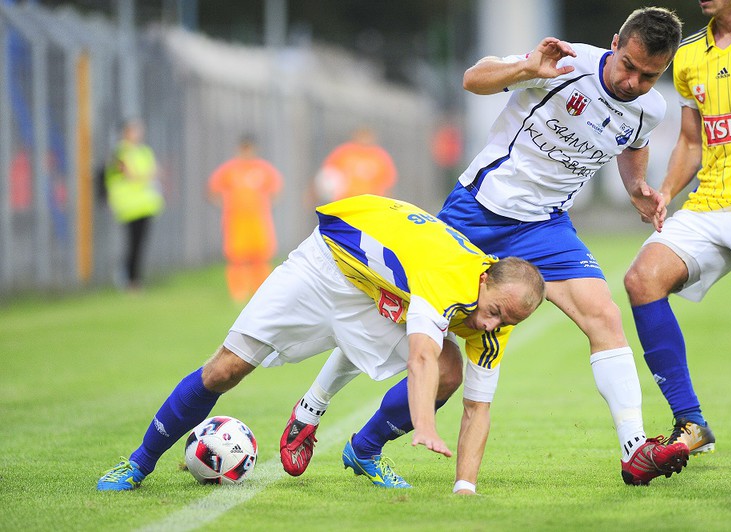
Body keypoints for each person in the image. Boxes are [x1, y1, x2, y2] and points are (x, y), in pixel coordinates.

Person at [279, 7, 690, 492]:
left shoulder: (651, 106)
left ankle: (634, 449)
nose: (634, 82)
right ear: (615, 41)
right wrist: (524, 70)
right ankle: (311, 409)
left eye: (650, 75)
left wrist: (637, 185)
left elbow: (632, 139)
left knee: (605, 317)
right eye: (629, 66)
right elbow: (474, 79)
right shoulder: (564, 63)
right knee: (392, 319)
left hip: (545, 227)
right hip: (477, 213)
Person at [96, 194, 546, 491]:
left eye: (509, 321)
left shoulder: (493, 318)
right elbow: (420, 356)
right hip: (325, 263)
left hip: (379, 289)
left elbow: (477, 406)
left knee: (453, 372)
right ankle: (138, 463)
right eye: (495, 311)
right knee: (226, 369)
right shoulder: (450, 282)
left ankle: (363, 449)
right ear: (484, 279)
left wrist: (464, 489)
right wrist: (425, 426)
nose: (493, 325)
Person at [624, 0, 731, 472]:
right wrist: (664, 191)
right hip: (710, 201)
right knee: (641, 279)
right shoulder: (689, 54)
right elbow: (691, 141)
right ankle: (691, 424)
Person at [208, 135, 284, 302]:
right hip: (236, 220)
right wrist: (227, 206)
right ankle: (239, 293)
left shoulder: (263, 169)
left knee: (261, 256)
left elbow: (276, 190)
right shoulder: (229, 169)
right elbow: (212, 190)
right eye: (244, 149)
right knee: (236, 257)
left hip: (258, 220)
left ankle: (261, 291)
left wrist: (265, 206)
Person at [104, 119, 164, 291]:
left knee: (139, 245)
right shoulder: (120, 153)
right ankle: (129, 280)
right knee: (132, 245)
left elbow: (156, 171)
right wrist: (146, 176)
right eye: (134, 130)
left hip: (145, 205)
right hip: (129, 206)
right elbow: (131, 175)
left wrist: (145, 176)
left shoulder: (144, 151)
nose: (138, 133)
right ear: (126, 132)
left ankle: (134, 279)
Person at [313, 127, 397, 204]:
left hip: (370, 204)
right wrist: (314, 193)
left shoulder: (380, 156)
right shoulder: (343, 152)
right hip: (344, 202)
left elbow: (387, 183)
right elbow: (327, 174)